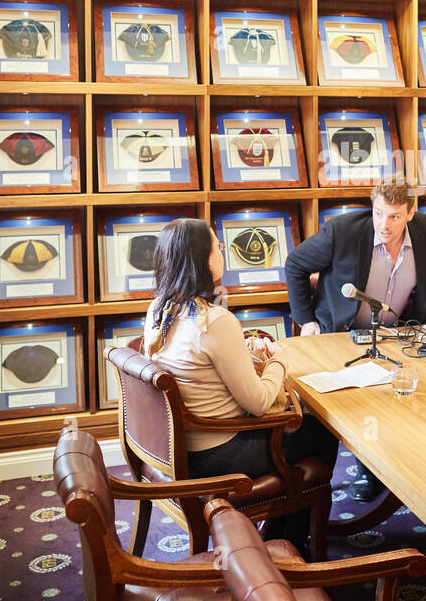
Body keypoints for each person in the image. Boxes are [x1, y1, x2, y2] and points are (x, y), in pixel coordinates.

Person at [142, 217, 337, 552]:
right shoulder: (216, 321)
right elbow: (259, 403)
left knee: (306, 431)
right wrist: (278, 357)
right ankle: (292, 542)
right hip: (216, 456)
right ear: (202, 260)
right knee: (321, 430)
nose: (221, 249)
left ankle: (280, 534)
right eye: (217, 245)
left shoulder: (159, 310)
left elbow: (203, 371)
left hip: (177, 447)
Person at [283, 175, 426, 500]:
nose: (384, 224)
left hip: (397, 333)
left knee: (418, 395)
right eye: (379, 213)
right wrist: (306, 320)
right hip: (341, 334)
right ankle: (356, 474)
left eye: (394, 216)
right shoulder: (342, 231)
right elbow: (295, 263)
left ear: (410, 213)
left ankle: (405, 466)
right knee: (350, 406)